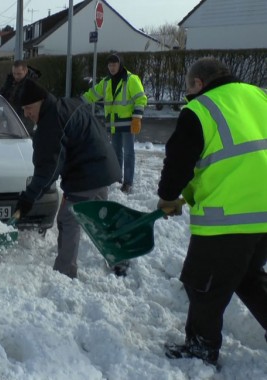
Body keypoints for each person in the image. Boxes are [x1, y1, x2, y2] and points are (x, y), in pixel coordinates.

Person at [157, 57, 267, 367]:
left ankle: (201, 349)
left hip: (229, 216)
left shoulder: (200, 109)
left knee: (200, 284)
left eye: (190, 88)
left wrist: (167, 197)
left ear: (199, 84)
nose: (189, 94)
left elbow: (178, 161)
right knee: (247, 276)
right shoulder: (260, 95)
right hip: (264, 211)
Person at [15, 79, 121, 279]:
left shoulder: (51, 122)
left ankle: (64, 272)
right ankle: (120, 259)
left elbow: (48, 168)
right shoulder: (64, 105)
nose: (26, 114)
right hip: (102, 166)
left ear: (41, 101)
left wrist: (29, 197)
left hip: (86, 174)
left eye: (29, 108)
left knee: (68, 219)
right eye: (23, 109)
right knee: (98, 218)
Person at [82, 53, 147, 194]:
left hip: (129, 123)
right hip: (113, 124)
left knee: (129, 153)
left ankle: (128, 183)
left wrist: (137, 117)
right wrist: (79, 102)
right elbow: (93, 94)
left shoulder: (131, 79)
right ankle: (117, 178)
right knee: (116, 152)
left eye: (115, 65)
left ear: (120, 64)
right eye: (110, 65)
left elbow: (141, 99)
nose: (112, 68)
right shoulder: (106, 82)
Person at [0, 60, 40, 134]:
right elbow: (2, 94)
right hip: (10, 115)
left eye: (19, 74)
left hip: (25, 118)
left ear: (25, 71)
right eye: (14, 73)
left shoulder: (32, 84)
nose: (16, 76)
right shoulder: (10, 80)